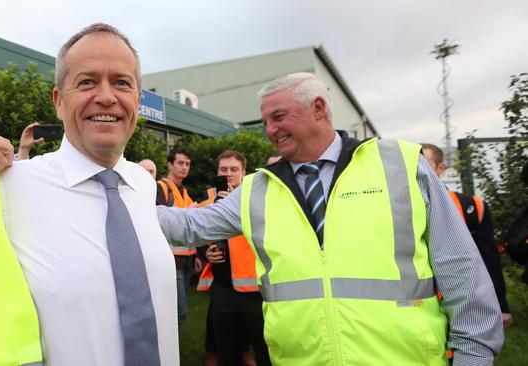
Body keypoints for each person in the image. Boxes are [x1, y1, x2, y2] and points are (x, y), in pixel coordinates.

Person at [157, 72, 503, 365]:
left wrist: (474, 353)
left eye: (278, 117)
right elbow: (190, 226)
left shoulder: (399, 164)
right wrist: (119, 193)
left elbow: (461, 266)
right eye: (265, 121)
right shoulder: (257, 188)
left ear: (318, 108)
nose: (269, 130)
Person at [0, 23, 178, 365]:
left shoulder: (142, 184)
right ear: (59, 101)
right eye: (86, 81)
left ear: (137, 99)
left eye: (121, 82)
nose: (105, 96)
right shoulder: (10, 188)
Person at [421, 143, 513, 328]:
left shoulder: (472, 208)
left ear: (441, 168)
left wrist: (501, 306)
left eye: (425, 165)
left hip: (465, 308)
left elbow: (489, 260)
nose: (419, 172)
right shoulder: (395, 210)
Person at [197, 150, 270, 366]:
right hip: (222, 289)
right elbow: (198, 235)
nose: (228, 174)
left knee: (263, 347)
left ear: (244, 172)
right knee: (226, 349)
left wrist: (237, 208)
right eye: (224, 169)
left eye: (234, 169)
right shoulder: (208, 201)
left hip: (255, 290)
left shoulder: (256, 198)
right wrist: (206, 253)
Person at [156, 147, 199, 325]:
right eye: (180, 163)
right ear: (170, 164)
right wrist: (188, 213)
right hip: (170, 260)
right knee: (179, 314)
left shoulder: (184, 192)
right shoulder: (161, 187)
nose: (184, 167)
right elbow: (157, 219)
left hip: (186, 261)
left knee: (176, 312)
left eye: (187, 164)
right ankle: (169, 351)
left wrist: (195, 255)